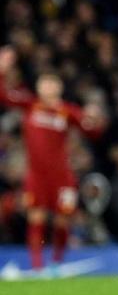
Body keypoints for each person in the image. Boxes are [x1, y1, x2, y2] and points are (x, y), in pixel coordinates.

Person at [0, 46, 105, 271]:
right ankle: (37, 267)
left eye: (52, 83)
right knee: (36, 219)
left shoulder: (67, 111)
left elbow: (93, 132)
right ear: (38, 87)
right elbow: (3, 95)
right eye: (44, 83)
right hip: (37, 175)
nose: (48, 87)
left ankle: (56, 264)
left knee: (62, 221)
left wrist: (95, 119)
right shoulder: (29, 105)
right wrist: (2, 69)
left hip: (62, 176)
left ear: (59, 87)